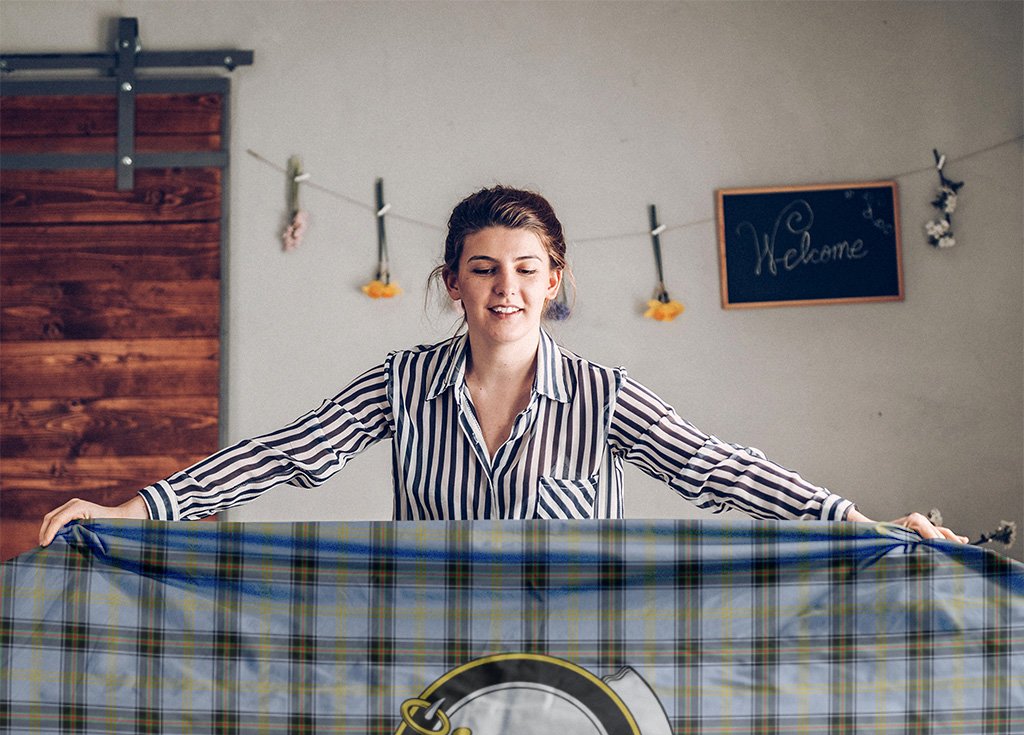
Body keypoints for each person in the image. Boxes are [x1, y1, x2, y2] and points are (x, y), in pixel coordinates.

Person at [39, 186, 968, 546]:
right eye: (484, 269)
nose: (506, 289)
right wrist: (134, 510)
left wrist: (857, 521)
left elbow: (719, 469)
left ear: (554, 281)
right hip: (431, 662)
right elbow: (284, 456)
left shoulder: (605, 398)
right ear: (453, 284)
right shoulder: (401, 382)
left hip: (581, 668)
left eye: (527, 271)